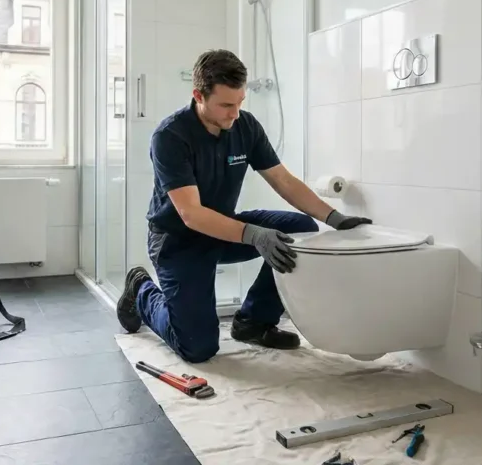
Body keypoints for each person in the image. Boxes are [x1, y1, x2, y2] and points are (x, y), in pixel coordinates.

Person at [116, 49, 372, 363]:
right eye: (225, 105)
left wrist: (334, 218)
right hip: (178, 240)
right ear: (198, 95)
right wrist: (254, 235)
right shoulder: (171, 136)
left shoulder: (245, 126)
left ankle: (254, 322)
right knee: (198, 348)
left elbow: (283, 180)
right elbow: (191, 213)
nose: (234, 114)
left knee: (301, 229)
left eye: (240, 103)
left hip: (223, 229)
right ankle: (141, 289)